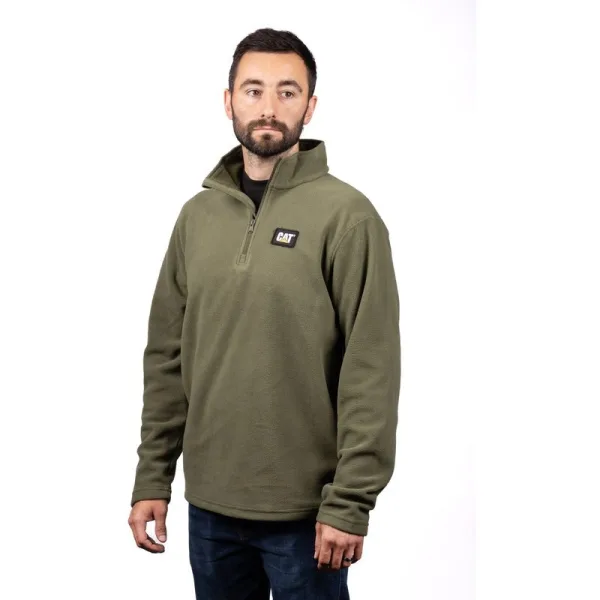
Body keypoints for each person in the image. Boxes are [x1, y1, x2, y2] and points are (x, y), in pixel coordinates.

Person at [127, 27, 401, 600]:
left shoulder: (348, 217)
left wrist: (350, 503)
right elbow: (167, 357)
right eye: (253, 90)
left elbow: (370, 369)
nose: (269, 107)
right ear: (229, 101)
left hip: (307, 515)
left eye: (287, 91)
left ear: (311, 106)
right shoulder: (197, 217)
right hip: (210, 509)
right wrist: (153, 475)